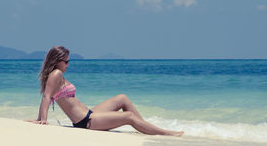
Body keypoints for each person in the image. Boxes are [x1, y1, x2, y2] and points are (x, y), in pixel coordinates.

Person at [27, 46, 184, 136]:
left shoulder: (56, 75)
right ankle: (164, 133)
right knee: (128, 116)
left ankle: (143, 126)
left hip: (89, 114)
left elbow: (48, 95)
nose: (68, 64)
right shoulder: (56, 74)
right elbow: (46, 96)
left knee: (122, 98)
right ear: (57, 61)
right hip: (85, 122)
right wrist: (43, 119)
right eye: (66, 61)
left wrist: (41, 117)